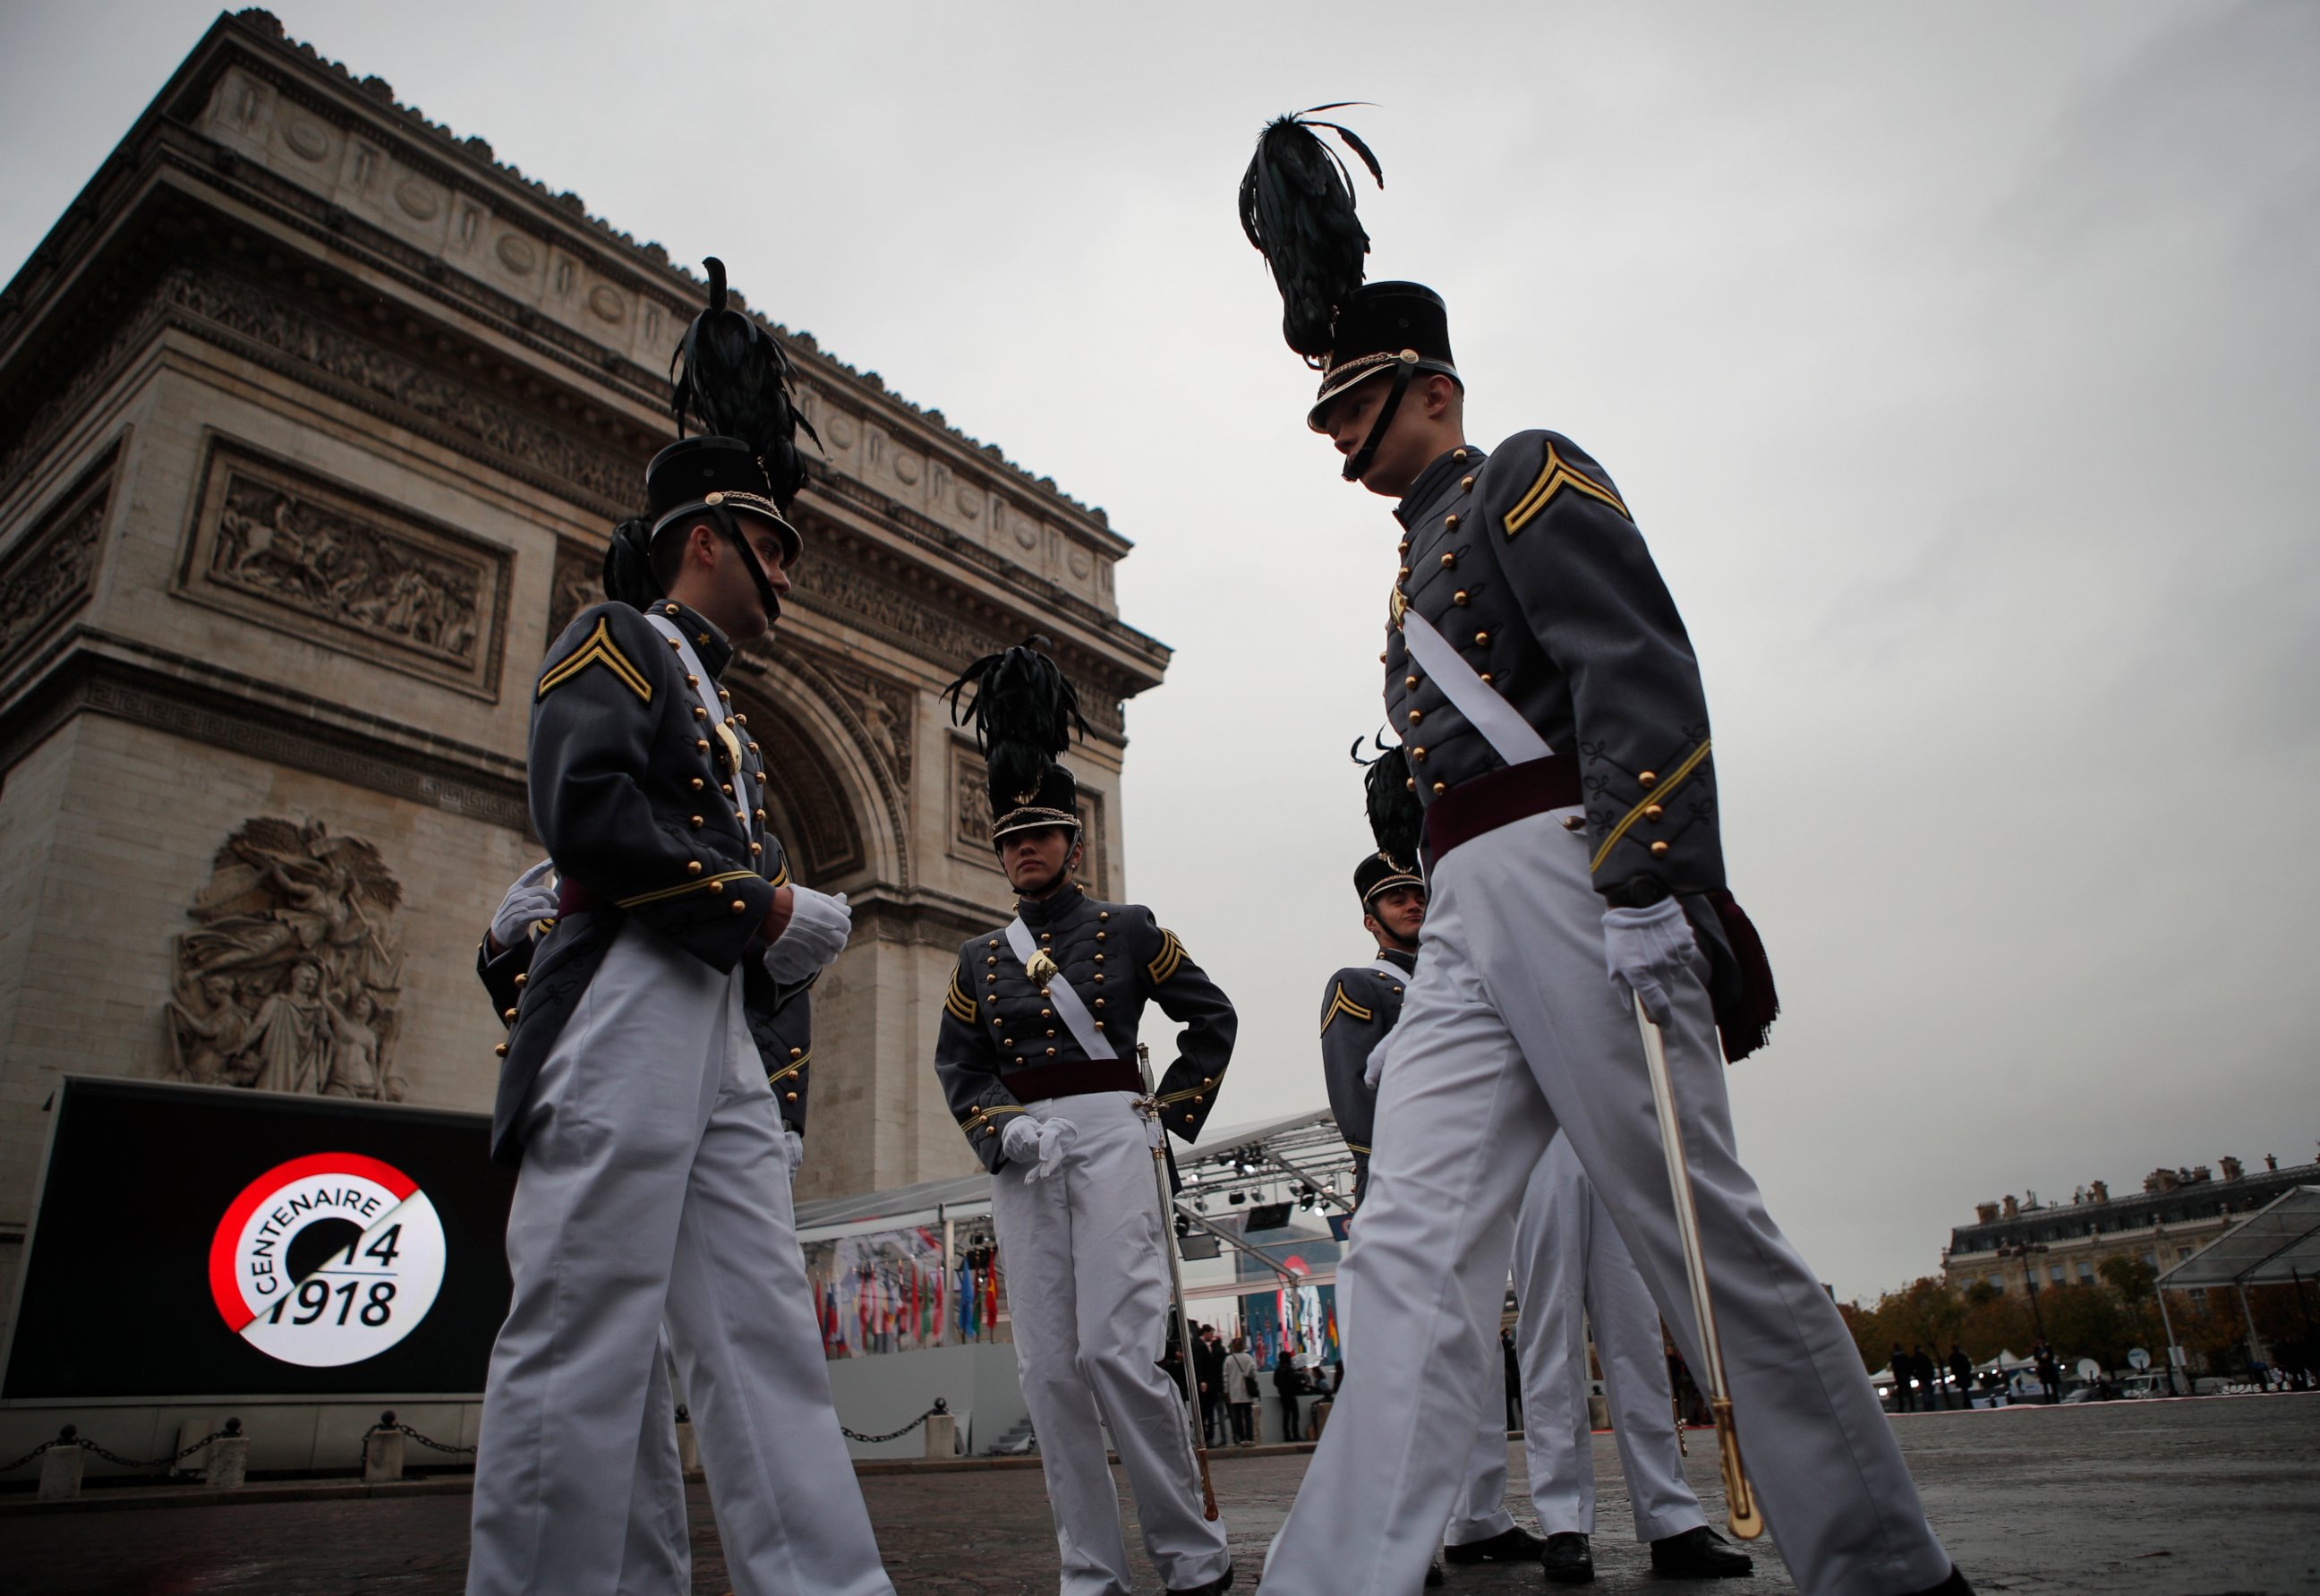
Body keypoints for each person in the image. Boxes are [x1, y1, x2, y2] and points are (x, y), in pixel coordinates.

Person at [1236, 112, 1969, 1596]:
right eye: (1326, 417)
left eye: (1352, 409)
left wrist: (1645, 882)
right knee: (1406, 1248)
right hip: (1461, 917)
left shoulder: (1525, 475)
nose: (1335, 444)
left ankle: (1885, 1565)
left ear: (1431, 389)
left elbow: (1636, 671)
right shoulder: (1409, 567)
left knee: (1696, 1227)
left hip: (1576, 875)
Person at [465, 260, 889, 1596]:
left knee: (761, 1332)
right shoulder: (613, 641)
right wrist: (763, 907)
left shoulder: (726, 711)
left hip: (711, 1028)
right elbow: (584, 809)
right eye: (771, 549)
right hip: (620, 1001)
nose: (785, 578)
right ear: (701, 538)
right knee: (587, 1321)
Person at [932, 641, 1238, 1596]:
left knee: (1117, 1350)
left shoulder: (1132, 927)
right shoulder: (980, 959)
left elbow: (1211, 1016)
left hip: (1113, 1134)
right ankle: (1088, 1567)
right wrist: (998, 1127)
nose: (1025, 849)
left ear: (1074, 840)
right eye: (1010, 839)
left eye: (1041, 836)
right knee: (1049, 1372)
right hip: (1026, 1152)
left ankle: (1191, 1553)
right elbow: (959, 1062)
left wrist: (1166, 1115)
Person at [1196, 1323, 1230, 1447]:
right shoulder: (1200, 1346)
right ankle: (1208, 1438)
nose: (1212, 1336)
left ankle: (1207, 1437)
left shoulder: (1199, 1345)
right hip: (1207, 1384)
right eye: (1211, 1333)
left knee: (1207, 1413)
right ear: (1205, 1332)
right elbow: (1200, 1365)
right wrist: (1202, 1380)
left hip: (1207, 1383)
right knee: (1207, 1412)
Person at [1225, 1337, 1260, 1445]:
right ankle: (1250, 1438)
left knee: (1238, 1417)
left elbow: (1225, 1377)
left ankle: (1241, 1439)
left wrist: (1226, 1391)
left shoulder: (1229, 1359)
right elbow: (1254, 1373)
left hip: (1235, 1392)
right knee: (1248, 1416)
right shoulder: (1248, 1358)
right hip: (1246, 1391)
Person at [1274, 1350, 1307, 1443]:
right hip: (1291, 1395)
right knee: (1295, 1415)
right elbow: (1293, 1381)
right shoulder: (1290, 1369)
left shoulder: (1278, 1370)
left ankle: (1287, 1436)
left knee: (1286, 1416)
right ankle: (1295, 1435)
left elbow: (1275, 1382)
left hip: (1283, 1395)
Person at [1890, 1344, 1916, 1413]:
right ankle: (1912, 1406)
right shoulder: (1905, 1356)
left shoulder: (1894, 1358)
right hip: (1906, 1375)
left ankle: (1901, 1407)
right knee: (1909, 1391)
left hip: (1899, 1376)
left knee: (1900, 1393)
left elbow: (1894, 1368)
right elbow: (1910, 1365)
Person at [1948, 1345, 1975, 1412]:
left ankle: (1966, 1403)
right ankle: (1968, 1403)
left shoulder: (1952, 1357)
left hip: (1959, 1375)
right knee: (1965, 1389)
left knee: (1964, 1390)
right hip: (1965, 1375)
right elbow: (1968, 1365)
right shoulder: (1963, 1356)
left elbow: (1953, 1367)